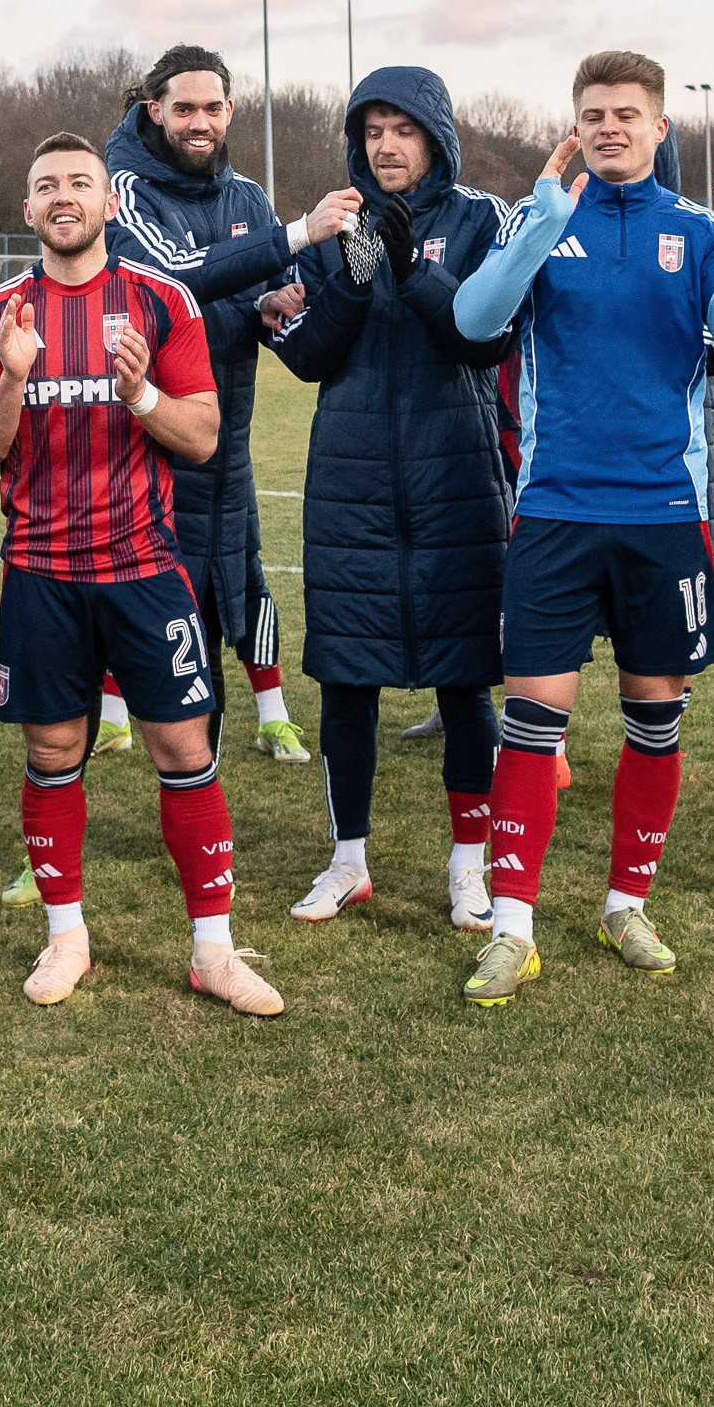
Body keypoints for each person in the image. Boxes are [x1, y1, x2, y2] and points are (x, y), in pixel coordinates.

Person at [449, 52, 714, 1004]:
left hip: (666, 516)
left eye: (627, 115)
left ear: (659, 128)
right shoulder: (542, 217)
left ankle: (626, 905)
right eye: (593, 115)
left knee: (655, 718)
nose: (609, 128)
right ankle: (513, 927)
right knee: (531, 721)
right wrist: (540, 229)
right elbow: (474, 321)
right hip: (554, 511)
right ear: (576, 126)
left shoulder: (696, 230)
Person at [0, 133, 283, 1016]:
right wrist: (13, 382)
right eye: (45, 186)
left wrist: (140, 394)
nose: (62, 197)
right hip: (40, 574)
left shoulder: (161, 301)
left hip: (144, 569)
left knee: (184, 748)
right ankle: (66, 937)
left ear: (110, 204)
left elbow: (205, 437)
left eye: (79, 183)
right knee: (52, 752)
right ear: (27, 210)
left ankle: (213, 951)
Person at [266, 69, 517, 931]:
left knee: (466, 683)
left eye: (402, 129)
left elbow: (485, 340)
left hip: (457, 481)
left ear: (436, 136)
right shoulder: (335, 222)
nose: (385, 145)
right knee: (347, 681)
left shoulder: (481, 220)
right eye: (371, 131)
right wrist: (357, 270)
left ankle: (469, 867)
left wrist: (413, 272)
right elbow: (309, 356)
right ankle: (347, 862)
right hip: (353, 485)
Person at [102, 45, 356, 763]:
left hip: (228, 439)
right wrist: (300, 232)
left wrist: (270, 306)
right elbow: (172, 276)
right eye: (183, 108)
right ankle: (120, 713)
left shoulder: (245, 196)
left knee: (245, 579)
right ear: (153, 111)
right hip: (149, 436)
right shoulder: (124, 190)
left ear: (231, 112)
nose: (199, 122)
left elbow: (259, 294)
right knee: (150, 586)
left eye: (212, 108)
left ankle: (271, 714)